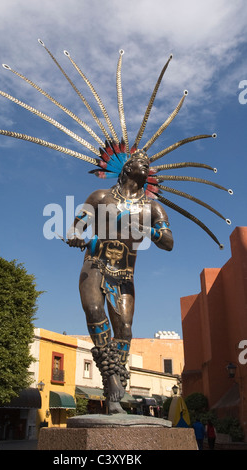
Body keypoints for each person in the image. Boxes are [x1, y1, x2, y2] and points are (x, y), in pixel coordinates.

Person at [67, 152, 173, 413]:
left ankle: (113, 394)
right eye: (140, 161)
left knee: (124, 331)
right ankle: (113, 380)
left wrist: (146, 229)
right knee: (93, 309)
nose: (146, 164)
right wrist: (75, 236)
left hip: (124, 274)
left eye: (148, 163)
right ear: (126, 168)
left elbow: (169, 243)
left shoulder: (152, 208)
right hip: (95, 264)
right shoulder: (100, 197)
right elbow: (75, 227)